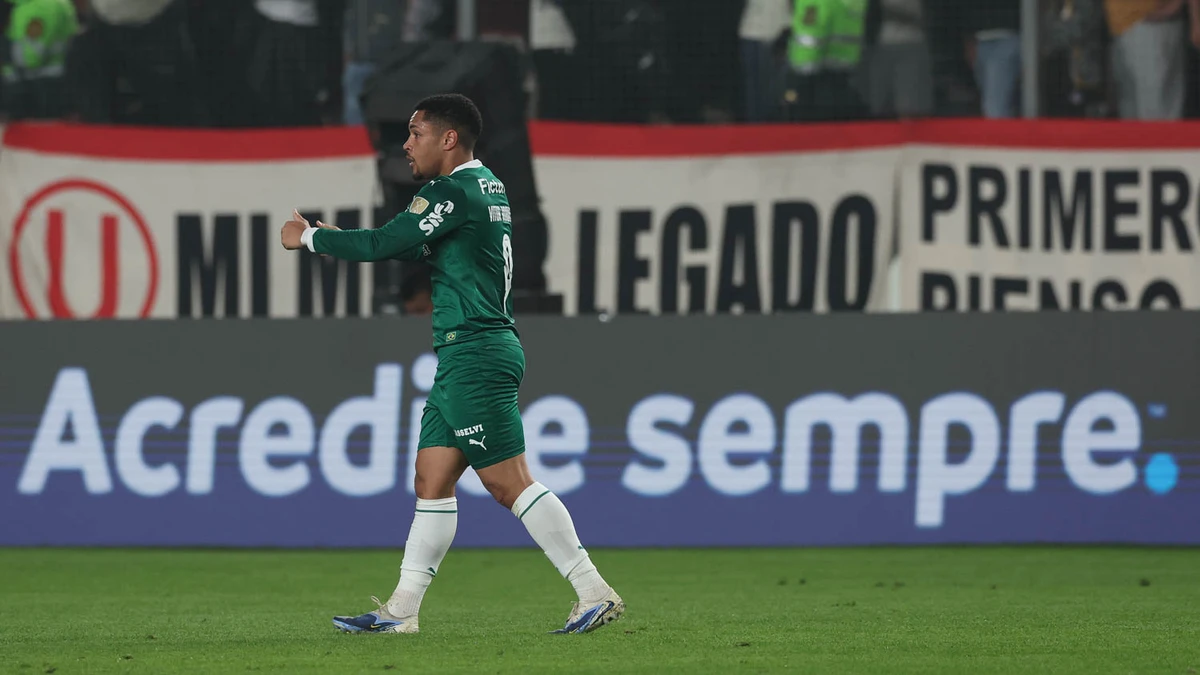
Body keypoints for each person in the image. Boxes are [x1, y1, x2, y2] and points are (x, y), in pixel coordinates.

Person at [280, 93, 624, 636]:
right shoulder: (487, 186)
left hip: (476, 352)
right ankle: (402, 612)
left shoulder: (453, 190)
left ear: (448, 139)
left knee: (509, 483)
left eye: (415, 133)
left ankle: (592, 591)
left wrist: (312, 236)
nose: (406, 144)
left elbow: (384, 242)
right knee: (431, 478)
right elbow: (428, 248)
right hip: (466, 353)